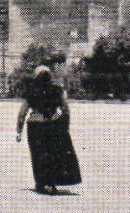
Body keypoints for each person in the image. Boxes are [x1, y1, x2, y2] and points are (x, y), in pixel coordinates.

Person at [15, 65, 82, 195]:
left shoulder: (31, 91)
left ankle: (41, 183)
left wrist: (19, 130)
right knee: (52, 154)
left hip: (35, 126)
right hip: (53, 125)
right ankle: (51, 183)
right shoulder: (57, 90)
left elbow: (23, 112)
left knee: (38, 155)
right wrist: (64, 126)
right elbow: (65, 109)